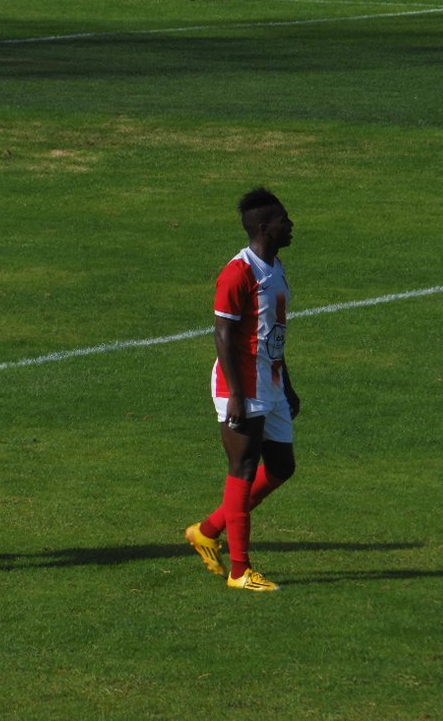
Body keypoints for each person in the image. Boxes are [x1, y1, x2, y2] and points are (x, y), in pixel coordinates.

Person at [185, 188, 300, 592]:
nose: (291, 225)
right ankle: (240, 571)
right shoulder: (238, 273)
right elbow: (222, 333)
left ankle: (207, 531)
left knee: (282, 466)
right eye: (284, 220)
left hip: (271, 382)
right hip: (243, 386)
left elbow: (273, 334)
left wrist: (287, 385)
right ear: (264, 228)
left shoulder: (276, 267)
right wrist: (235, 393)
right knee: (243, 469)